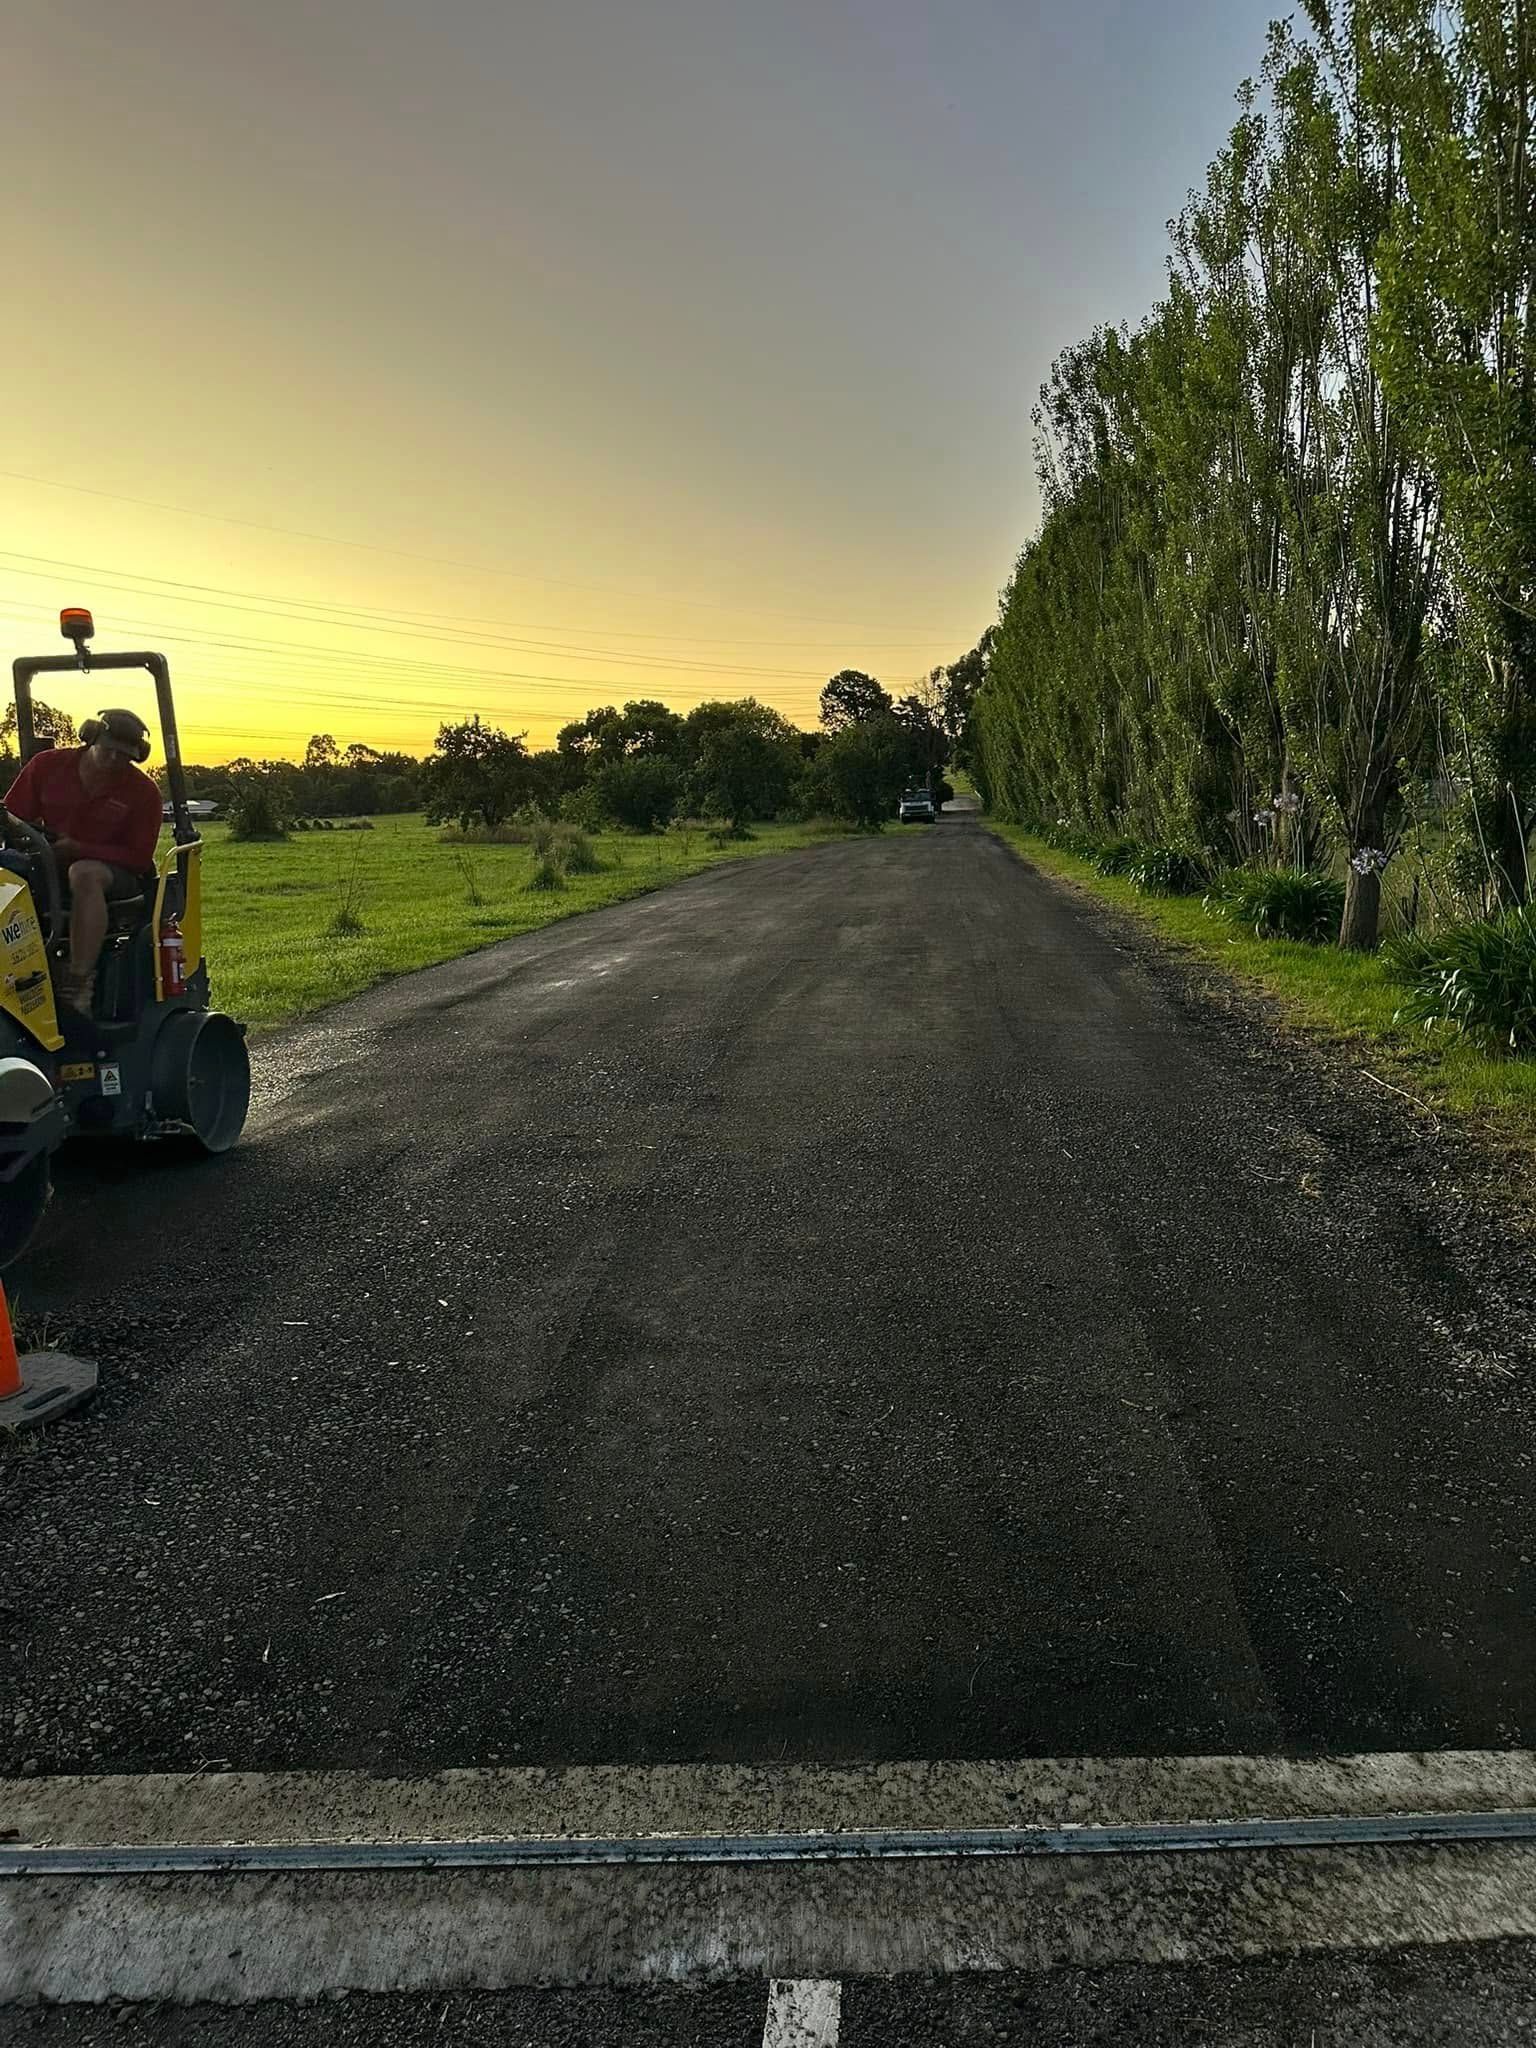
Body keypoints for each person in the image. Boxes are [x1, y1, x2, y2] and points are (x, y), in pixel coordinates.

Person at [3, 709, 162, 1014]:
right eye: (109, 751)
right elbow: (12, 816)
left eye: (124, 756)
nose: (115, 761)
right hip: (48, 861)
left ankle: (78, 984)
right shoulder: (48, 766)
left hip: (115, 874)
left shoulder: (143, 792)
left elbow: (139, 858)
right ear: (91, 739)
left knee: (84, 873)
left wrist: (78, 848)